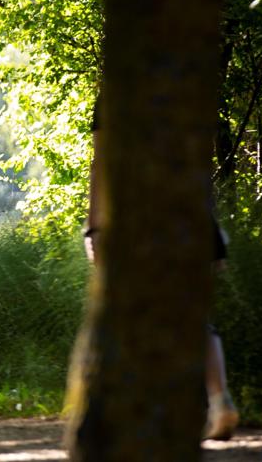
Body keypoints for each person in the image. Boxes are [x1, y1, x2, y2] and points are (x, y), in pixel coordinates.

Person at [83, 100, 239, 441]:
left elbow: (102, 164)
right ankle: (219, 399)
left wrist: (93, 227)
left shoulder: (121, 89)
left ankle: (150, 410)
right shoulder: (182, 81)